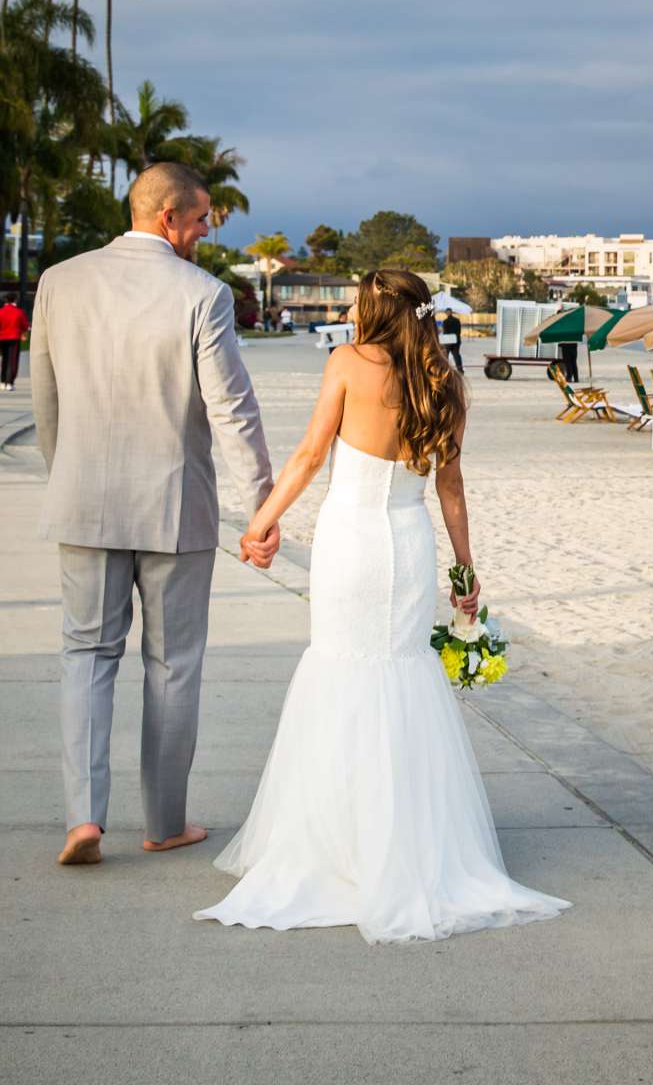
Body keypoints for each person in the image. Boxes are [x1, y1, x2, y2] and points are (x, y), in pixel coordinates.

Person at [198, 268, 569, 943]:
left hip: (352, 541)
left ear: (371, 308)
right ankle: (411, 846)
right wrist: (465, 568)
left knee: (341, 668)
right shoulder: (445, 380)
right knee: (401, 673)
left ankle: (341, 844)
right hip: (409, 541)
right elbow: (451, 487)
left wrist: (261, 522)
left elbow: (312, 455)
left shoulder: (347, 362)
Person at [29, 162, 276, 868]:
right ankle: (164, 822)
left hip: (83, 502)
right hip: (175, 508)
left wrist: (65, 475)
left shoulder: (60, 282)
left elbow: (44, 401)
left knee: (85, 655)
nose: (204, 233)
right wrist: (260, 506)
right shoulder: (203, 293)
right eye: (201, 220)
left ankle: (83, 817)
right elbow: (232, 410)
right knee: (172, 664)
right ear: (169, 217)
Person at [0, 292, 30, 390]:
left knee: (4, 360)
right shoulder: (19, 312)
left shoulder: (0, 312)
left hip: (2, 339)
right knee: (13, 361)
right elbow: (25, 326)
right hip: (14, 339)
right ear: (15, 300)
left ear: (5, 300)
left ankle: (2, 382)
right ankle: (10, 383)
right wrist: (23, 335)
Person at [438, 307, 464, 373]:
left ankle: (445, 370)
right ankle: (460, 370)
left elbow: (445, 332)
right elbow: (459, 331)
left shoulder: (445, 321)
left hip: (448, 341)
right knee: (456, 355)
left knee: (445, 356)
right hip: (456, 340)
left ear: (446, 313)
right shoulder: (457, 320)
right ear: (451, 312)